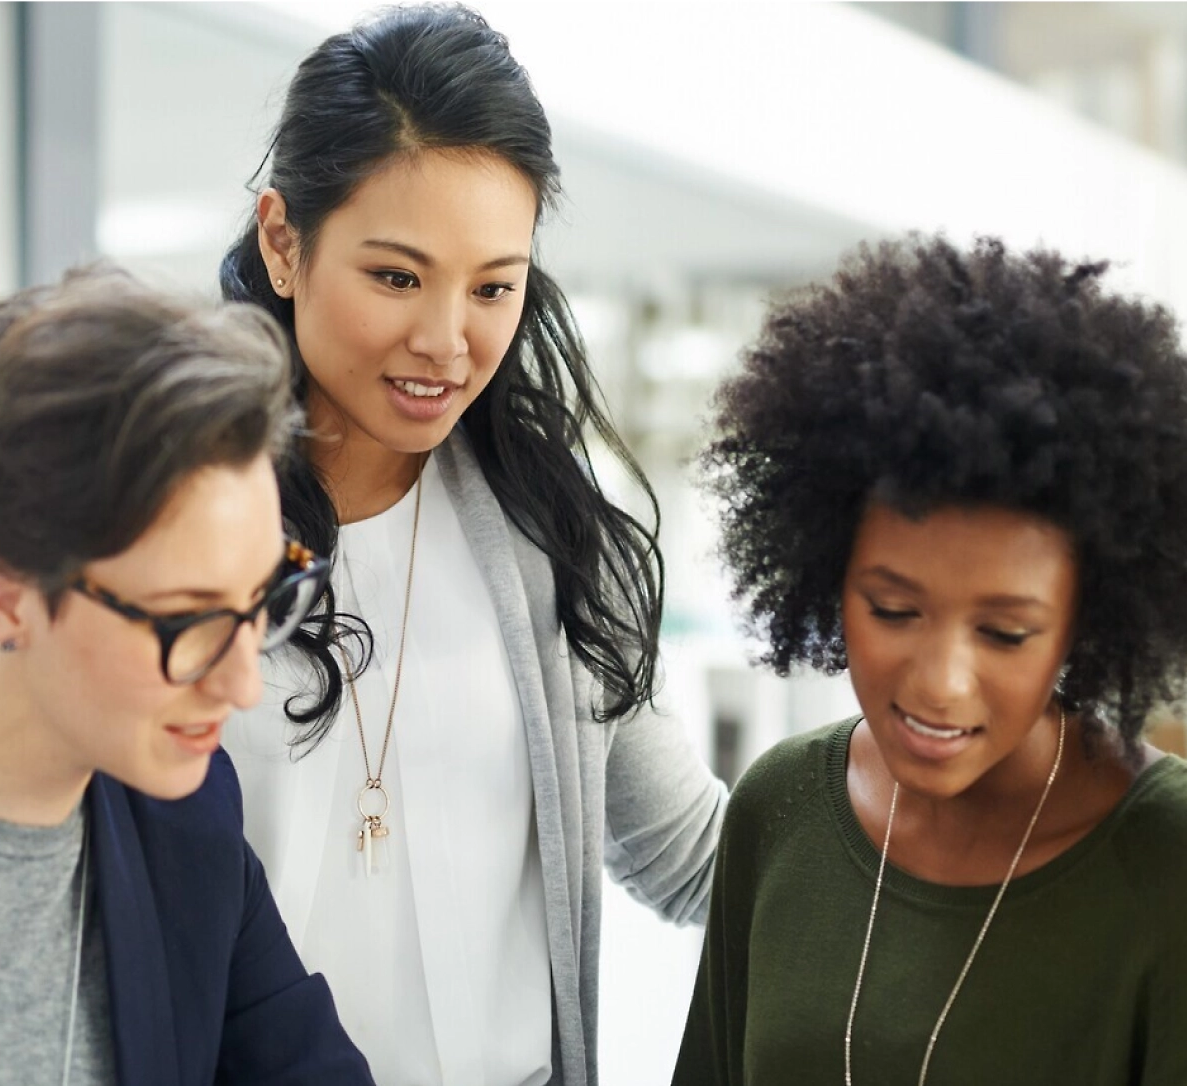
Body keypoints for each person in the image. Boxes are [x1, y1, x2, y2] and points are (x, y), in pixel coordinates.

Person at [218, 5, 726, 1084]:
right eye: (397, 277)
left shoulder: (551, 540)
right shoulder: (172, 529)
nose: (448, 342)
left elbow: (694, 859)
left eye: (493, 286)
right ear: (282, 241)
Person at [672, 234, 1187, 1084]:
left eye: (1005, 633)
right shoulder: (780, 810)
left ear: (1085, 620)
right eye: (894, 610)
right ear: (826, 572)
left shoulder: (1164, 863)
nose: (940, 683)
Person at [0, 266, 376, 1085]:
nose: (244, 686)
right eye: (189, 620)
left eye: (260, 600)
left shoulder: (190, 828)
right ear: (6, 598)